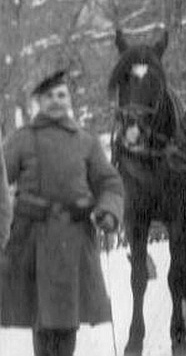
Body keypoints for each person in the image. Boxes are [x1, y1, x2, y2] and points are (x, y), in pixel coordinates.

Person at [1, 70, 124, 356]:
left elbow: (110, 183)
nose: (56, 102)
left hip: (75, 242)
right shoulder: (23, 139)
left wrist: (107, 210)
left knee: (68, 324)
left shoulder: (86, 142)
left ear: (69, 99)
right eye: (48, 97)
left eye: (61, 95)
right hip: (33, 243)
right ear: (38, 103)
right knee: (42, 322)